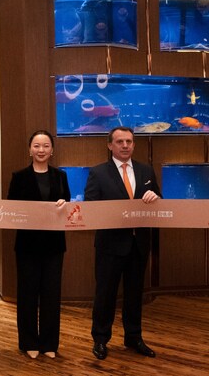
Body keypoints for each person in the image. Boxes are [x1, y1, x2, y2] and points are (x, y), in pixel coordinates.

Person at [84, 126, 161, 360]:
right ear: (110, 145)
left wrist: (156, 198)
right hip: (110, 246)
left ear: (134, 144)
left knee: (135, 294)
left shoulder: (146, 170)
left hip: (138, 244)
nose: (125, 145)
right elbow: (90, 206)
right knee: (105, 294)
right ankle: (100, 339)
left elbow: (160, 202)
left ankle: (133, 337)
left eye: (129, 141)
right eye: (120, 142)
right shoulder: (98, 172)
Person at [7, 130, 71, 359]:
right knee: (27, 295)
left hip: (54, 245)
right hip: (27, 245)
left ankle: (49, 343)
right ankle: (28, 342)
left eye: (45, 146)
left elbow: (69, 204)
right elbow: (12, 209)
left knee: (51, 295)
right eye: (36, 146)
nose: (41, 150)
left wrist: (64, 204)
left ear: (52, 150)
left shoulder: (60, 176)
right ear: (30, 149)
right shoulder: (19, 176)